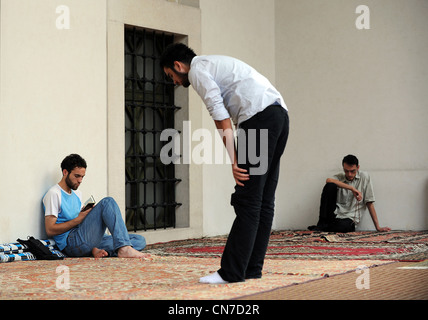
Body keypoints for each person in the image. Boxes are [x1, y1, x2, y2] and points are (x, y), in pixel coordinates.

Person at [160, 43, 289, 284]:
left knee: (248, 197)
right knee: (263, 198)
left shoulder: (197, 71)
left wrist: (234, 160)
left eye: (171, 76)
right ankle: (252, 268)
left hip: (259, 119)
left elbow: (220, 115)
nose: (175, 82)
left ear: (178, 66)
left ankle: (231, 272)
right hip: (279, 116)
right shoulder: (214, 63)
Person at [43, 154, 148, 258]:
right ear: (65, 172)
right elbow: (50, 230)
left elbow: (78, 220)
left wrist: (85, 215)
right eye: (77, 176)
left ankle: (98, 250)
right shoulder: (54, 194)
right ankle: (121, 249)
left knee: (139, 240)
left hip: (84, 237)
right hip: (71, 243)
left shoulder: (77, 193)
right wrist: (78, 220)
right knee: (107, 202)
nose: (80, 180)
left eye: (82, 177)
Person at [308, 154, 390, 233]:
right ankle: (322, 223)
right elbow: (328, 180)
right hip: (334, 215)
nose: (349, 174)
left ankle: (322, 227)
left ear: (358, 168)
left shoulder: (364, 177)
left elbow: (369, 202)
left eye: (352, 171)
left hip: (349, 219)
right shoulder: (340, 177)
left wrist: (378, 227)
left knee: (344, 226)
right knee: (330, 186)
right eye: (346, 171)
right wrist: (352, 188)